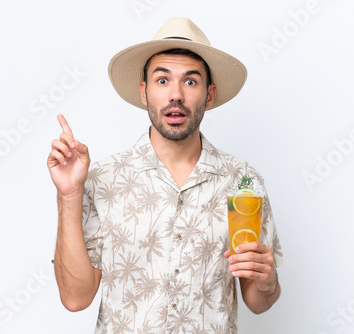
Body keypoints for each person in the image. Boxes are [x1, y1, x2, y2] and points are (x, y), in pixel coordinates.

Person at [47, 17, 284, 333]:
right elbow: (76, 298)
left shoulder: (242, 181)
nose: (176, 95)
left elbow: (257, 300)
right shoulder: (103, 179)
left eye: (190, 81)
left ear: (209, 95)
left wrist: (267, 281)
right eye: (162, 81)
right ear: (144, 92)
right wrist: (68, 194)